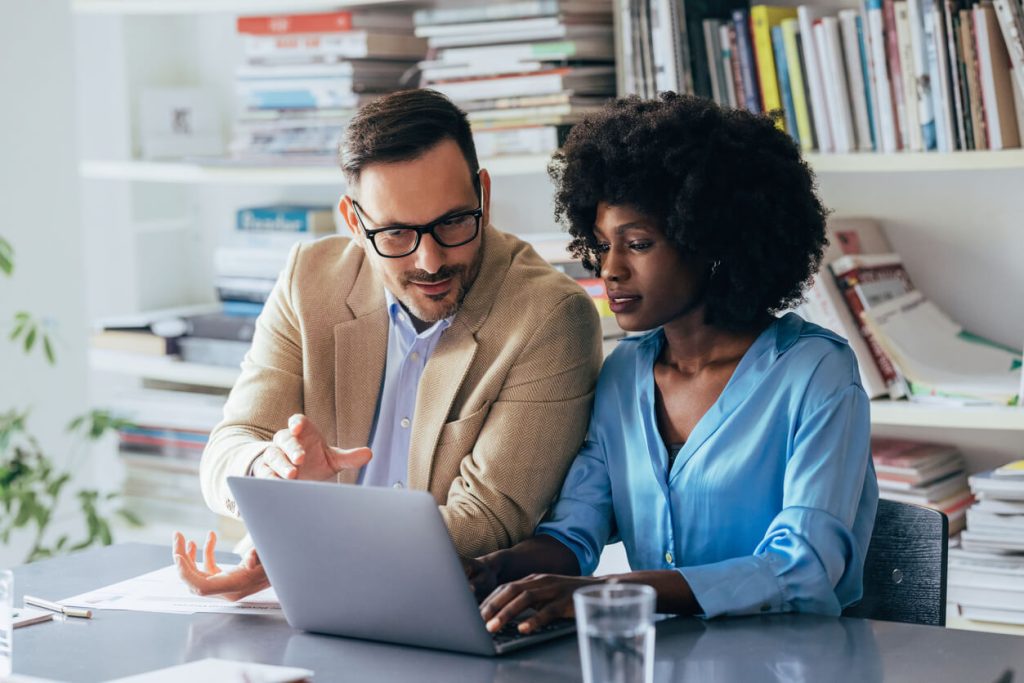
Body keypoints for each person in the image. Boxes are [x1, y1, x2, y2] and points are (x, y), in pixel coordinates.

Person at [467, 93, 879, 634]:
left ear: (707, 240)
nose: (609, 270)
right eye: (600, 245)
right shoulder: (623, 374)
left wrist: (605, 595)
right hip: (664, 661)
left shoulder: (816, 374)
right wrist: (489, 570)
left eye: (636, 243)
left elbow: (802, 567)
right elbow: (574, 533)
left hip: (795, 663)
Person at [172, 89, 603, 597]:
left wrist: (300, 546)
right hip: (318, 606)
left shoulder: (550, 316)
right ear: (355, 221)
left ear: (482, 196)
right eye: (396, 233)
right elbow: (229, 446)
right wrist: (269, 469)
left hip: (454, 615)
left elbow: (487, 518)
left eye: (452, 222)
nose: (430, 260)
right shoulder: (308, 281)